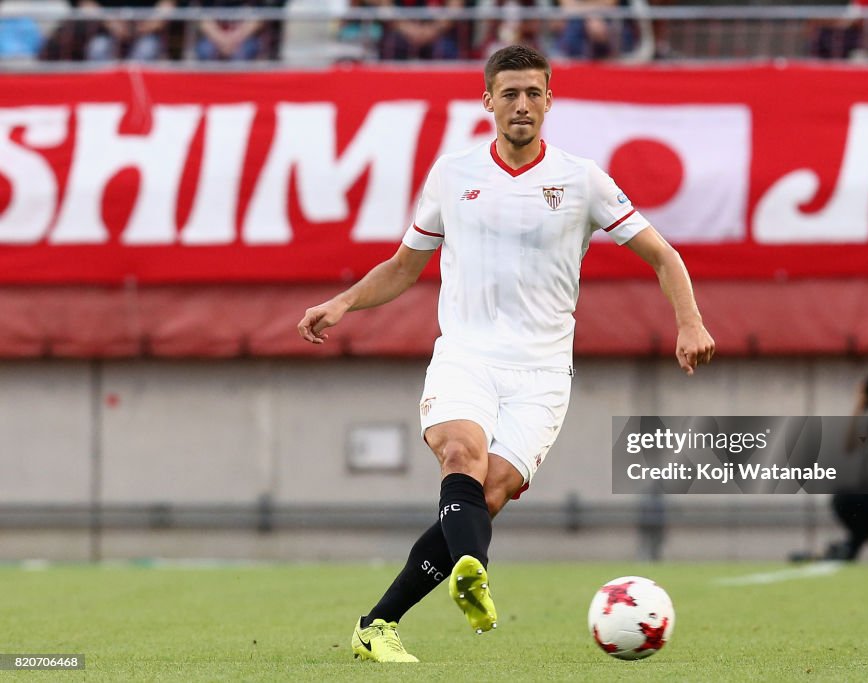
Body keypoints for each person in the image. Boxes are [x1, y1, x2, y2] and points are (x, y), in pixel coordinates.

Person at [296, 44, 714, 663]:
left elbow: (663, 255)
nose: (522, 105)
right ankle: (474, 570)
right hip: (466, 354)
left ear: (550, 100)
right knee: (461, 455)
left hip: (543, 373)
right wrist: (343, 304)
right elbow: (405, 266)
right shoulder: (453, 173)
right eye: (510, 93)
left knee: (485, 495)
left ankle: (376, 624)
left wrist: (690, 323)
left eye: (534, 94)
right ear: (487, 100)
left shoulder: (582, 180)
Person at [79, 0, 176, 61]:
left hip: (146, 34)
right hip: (107, 33)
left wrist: (144, 27)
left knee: (148, 49)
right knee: (98, 48)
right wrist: (110, 23)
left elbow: (167, 5)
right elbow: (86, 4)